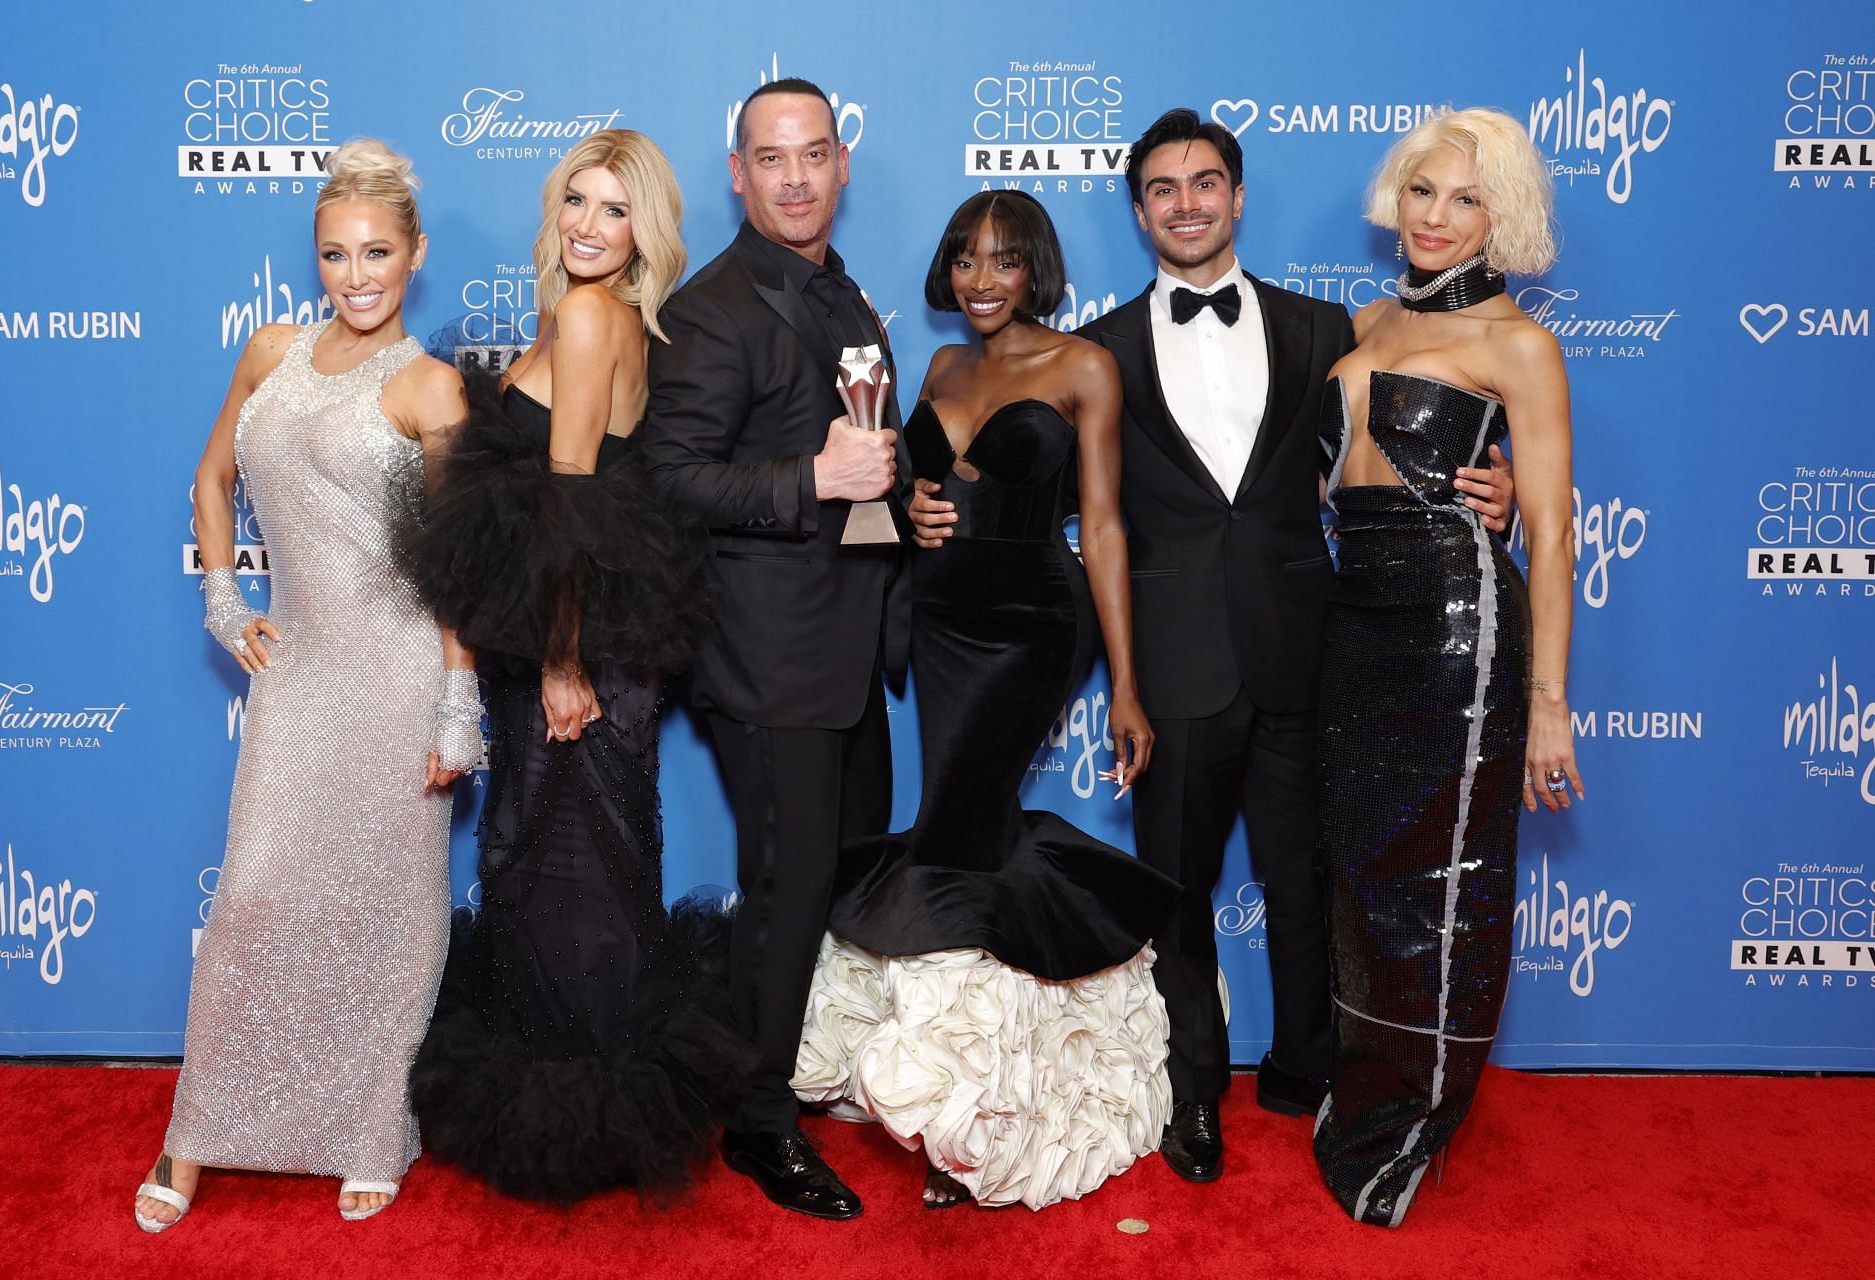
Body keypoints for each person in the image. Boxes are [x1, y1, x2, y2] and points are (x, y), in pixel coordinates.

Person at [916, 109, 1513, 1186]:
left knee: (1308, 879)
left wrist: (1492, 487)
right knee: (1176, 891)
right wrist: (926, 509)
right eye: (1162, 188)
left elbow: (1417, 437)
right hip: (1170, 657)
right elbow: (1036, 493)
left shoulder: (1332, 328)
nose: (1186, 203)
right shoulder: (1094, 349)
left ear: (1237, 196)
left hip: (1307, 648)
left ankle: (1304, 1067)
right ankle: (1195, 1089)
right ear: (1139, 208)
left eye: (1204, 183)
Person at [794, 191, 1182, 1211]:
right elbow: (895, 492)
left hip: (1030, 626)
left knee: (956, 838)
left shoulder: (1083, 367)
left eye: (1004, 261)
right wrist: (910, 503)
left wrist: (1128, 687)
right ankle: (1004, 1089)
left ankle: (968, 1112)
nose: (980, 280)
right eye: (965, 259)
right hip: (938, 620)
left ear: (1036, 268)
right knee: (970, 835)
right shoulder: (939, 367)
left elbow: (1101, 528)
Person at [134, 139, 478, 1231]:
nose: (358, 273)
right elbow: (212, 472)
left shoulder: (432, 388)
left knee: (392, 906)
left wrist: (459, 700)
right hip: (304, 675)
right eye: (337, 252)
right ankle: (192, 1136)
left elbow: (453, 566)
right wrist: (225, 601)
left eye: (379, 250)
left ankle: (374, 1125)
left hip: (397, 672)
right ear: (316, 258)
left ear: (415, 254)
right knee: (253, 893)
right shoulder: (270, 351)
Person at [400, 131, 748, 1201]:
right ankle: (588, 1099)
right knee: (571, 863)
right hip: (583, 639)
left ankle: (575, 1110)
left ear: (648, 227)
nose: (588, 225)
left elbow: (570, 510)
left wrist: (558, 662)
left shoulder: (593, 319)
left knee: (558, 866)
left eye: (613, 208)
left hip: (575, 644)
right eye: (575, 203)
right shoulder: (620, 320)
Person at [638, 77, 904, 1221]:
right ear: (738, 175)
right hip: (768, 656)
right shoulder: (717, 308)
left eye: (814, 154)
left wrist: (903, 498)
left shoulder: (837, 289)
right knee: (784, 896)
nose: (795, 177)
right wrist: (816, 480)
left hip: (847, 648)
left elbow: (853, 450)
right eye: (771, 158)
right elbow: (668, 478)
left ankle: (783, 1070)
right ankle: (756, 1125)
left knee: (825, 882)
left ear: (842, 163)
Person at [1312, 106, 1582, 1228]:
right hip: (1356, 626)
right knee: (1366, 872)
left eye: (1466, 198)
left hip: (1459, 629)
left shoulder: (1518, 342)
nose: (1436, 216)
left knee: (1446, 880)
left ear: (1500, 215)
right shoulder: (1365, 319)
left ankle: (1412, 1125)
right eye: (1423, 191)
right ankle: (1361, 1090)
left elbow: (1556, 530)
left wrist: (1550, 705)